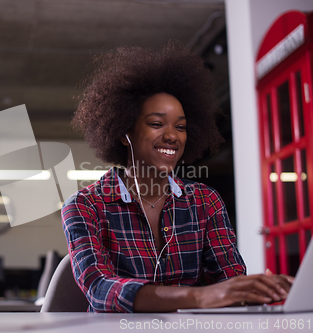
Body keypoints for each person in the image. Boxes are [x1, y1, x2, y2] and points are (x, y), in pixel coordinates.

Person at [61, 42, 293, 313]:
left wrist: (255, 289)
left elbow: (229, 279)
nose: (172, 136)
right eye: (157, 124)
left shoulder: (205, 201)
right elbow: (100, 289)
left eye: (181, 127)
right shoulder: (84, 206)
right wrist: (199, 297)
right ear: (125, 132)